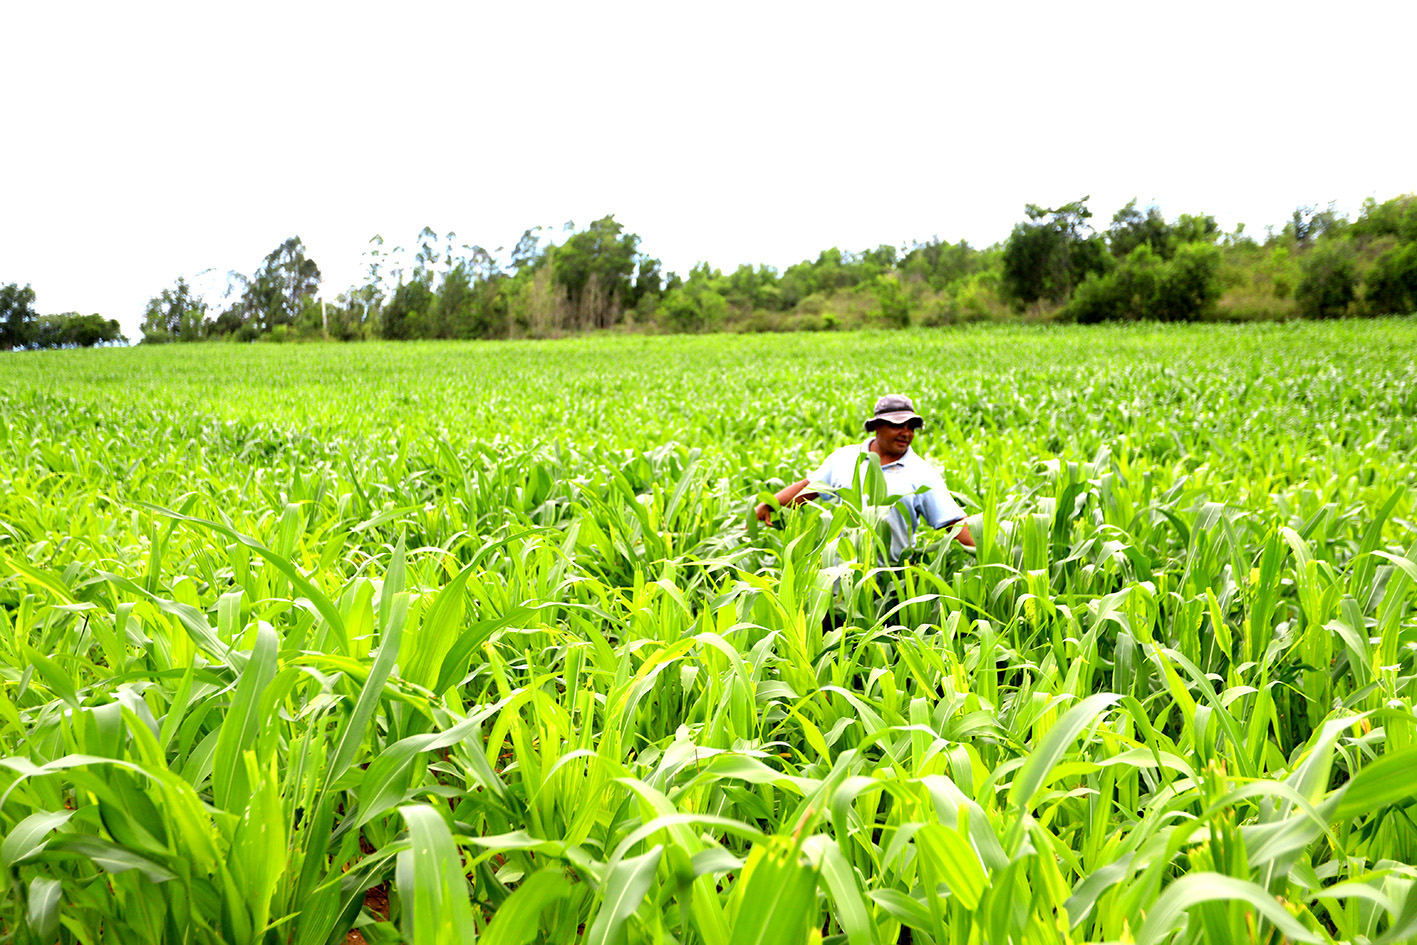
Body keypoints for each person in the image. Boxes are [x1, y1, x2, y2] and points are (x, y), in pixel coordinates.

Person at [754, 393, 975, 559]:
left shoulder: (922, 473)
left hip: (894, 588)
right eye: (898, 425)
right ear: (877, 426)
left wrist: (988, 552)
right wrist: (770, 504)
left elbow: (953, 522)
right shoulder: (844, 458)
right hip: (839, 582)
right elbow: (809, 488)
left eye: (911, 426)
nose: (906, 433)